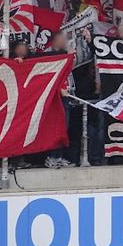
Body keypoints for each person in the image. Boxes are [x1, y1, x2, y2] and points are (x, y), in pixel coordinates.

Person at [44, 31, 75, 169]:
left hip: (67, 96)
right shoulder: (48, 55)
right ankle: (51, 157)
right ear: (56, 40)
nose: (65, 42)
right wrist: (59, 89)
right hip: (55, 98)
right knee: (56, 127)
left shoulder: (65, 53)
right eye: (63, 39)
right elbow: (50, 77)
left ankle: (59, 156)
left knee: (64, 128)